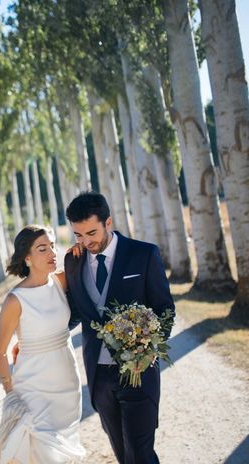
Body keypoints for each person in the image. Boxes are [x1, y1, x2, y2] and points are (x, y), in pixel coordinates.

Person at [63, 191, 175, 464]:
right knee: (124, 455)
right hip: (99, 377)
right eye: (78, 235)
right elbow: (75, 312)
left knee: (140, 454)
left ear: (108, 222)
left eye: (91, 232)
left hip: (138, 371)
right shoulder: (73, 261)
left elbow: (165, 310)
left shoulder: (144, 254)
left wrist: (148, 353)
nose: (86, 241)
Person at [0, 225, 86, 464]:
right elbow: (0, 351)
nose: (52, 253)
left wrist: (80, 249)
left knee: (61, 452)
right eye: (42, 248)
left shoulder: (61, 281)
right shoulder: (15, 300)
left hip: (67, 383)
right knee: (37, 451)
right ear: (27, 258)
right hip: (33, 387)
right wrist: (9, 392)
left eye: (52, 246)